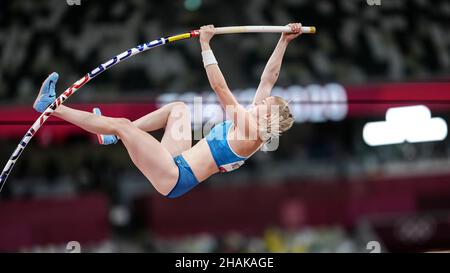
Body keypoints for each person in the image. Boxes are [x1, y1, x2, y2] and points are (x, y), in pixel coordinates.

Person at [32, 23, 302, 198]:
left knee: (122, 124)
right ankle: (111, 137)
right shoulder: (257, 122)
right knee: (178, 109)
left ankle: (53, 107)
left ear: (269, 116)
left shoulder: (250, 129)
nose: (258, 102)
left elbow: (221, 89)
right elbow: (269, 78)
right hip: (179, 161)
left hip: (174, 176)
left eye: (263, 105)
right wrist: (283, 41)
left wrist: (205, 45)